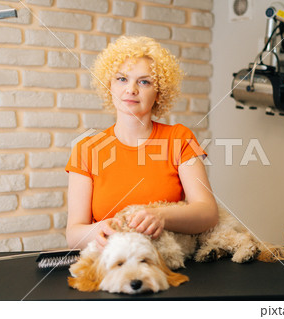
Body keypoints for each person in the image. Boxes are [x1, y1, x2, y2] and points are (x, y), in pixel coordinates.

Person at [65, 36, 218, 251]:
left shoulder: (179, 138)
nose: (131, 89)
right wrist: (103, 230)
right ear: (109, 85)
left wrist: (160, 215)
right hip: (112, 265)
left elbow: (208, 213)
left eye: (144, 81)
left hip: (169, 263)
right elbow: (73, 235)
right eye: (121, 79)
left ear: (158, 93)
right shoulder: (86, 149)